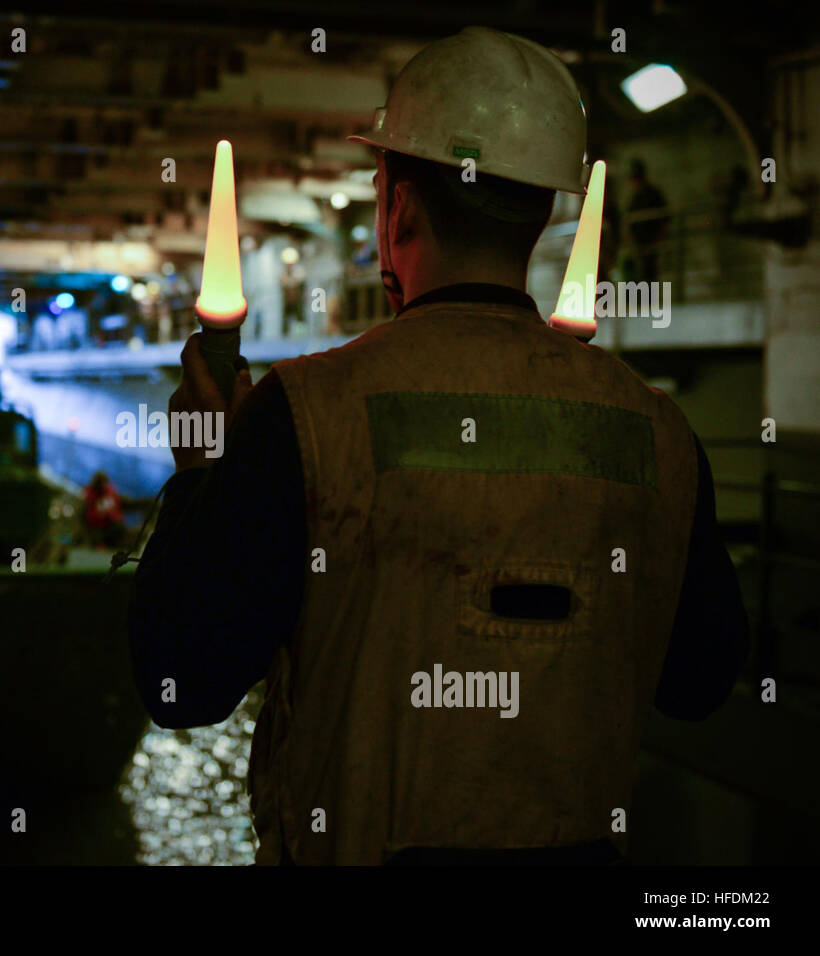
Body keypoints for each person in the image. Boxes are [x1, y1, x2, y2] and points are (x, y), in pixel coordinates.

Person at [127, 27, 749, 866]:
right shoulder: (658, 433)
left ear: (400, 205)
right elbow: (697, 684)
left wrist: (203, 467)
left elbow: (183, 682)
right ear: (541, 210)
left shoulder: (305, 412)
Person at [626, 158, 669, 282]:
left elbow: (663, 217)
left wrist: (659, 237)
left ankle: (650, 298)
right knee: (641, 273)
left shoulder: (653, 194)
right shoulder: (635, 198)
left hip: (651, 241)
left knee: (650, 271)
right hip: (639, 243)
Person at [82, 471, 125, 548]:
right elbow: (88, 513)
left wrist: (111, 515)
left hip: (110, 524)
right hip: (95, 526)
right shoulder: (90, 494)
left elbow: (116, 509)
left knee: (118, 529)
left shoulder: (110, 493)